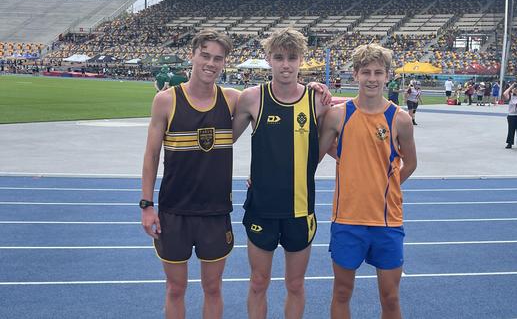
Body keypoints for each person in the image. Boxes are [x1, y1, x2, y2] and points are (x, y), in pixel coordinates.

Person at [141, 29, 241, 319]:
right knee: (175, 288)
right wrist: (147, 205)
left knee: (213, 287)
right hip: (174, 211)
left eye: (218, 58)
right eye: (205, 55)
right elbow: (151, 156)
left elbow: (277, 94)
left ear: (225, 63)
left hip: (215, 211)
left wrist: (314, 86)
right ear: (193, 55)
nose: (211, 63)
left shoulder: (233, 99)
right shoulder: (166, 101)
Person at [232, 28, 330, 319]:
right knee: (259, 282)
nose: (285, 64)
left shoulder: (317, 101)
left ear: (302, 60)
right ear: (268, 59)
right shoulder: (252, 98)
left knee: (295, 284)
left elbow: (332, 141)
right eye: (278, 57)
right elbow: (223, 139)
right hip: (262, 208)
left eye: (292, 57)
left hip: (300, 209)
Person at [317, 43, 417, 319]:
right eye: (365, 72)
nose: (372, 78)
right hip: (347, 219)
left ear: (387, 76)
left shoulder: (400, 119)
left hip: (387, 221)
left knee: (391, 297)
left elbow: (411, 163)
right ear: (355, 75)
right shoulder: (338, 115)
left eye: (378, 72)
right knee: (341, 292)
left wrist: (388, 184)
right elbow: (315, 154)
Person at [503, 82, 517, 150]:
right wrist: (511, 86)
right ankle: (509, 143)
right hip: (512, 115)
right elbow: (504, 94)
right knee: (511, 129)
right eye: (516, 89)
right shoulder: (511, 96)